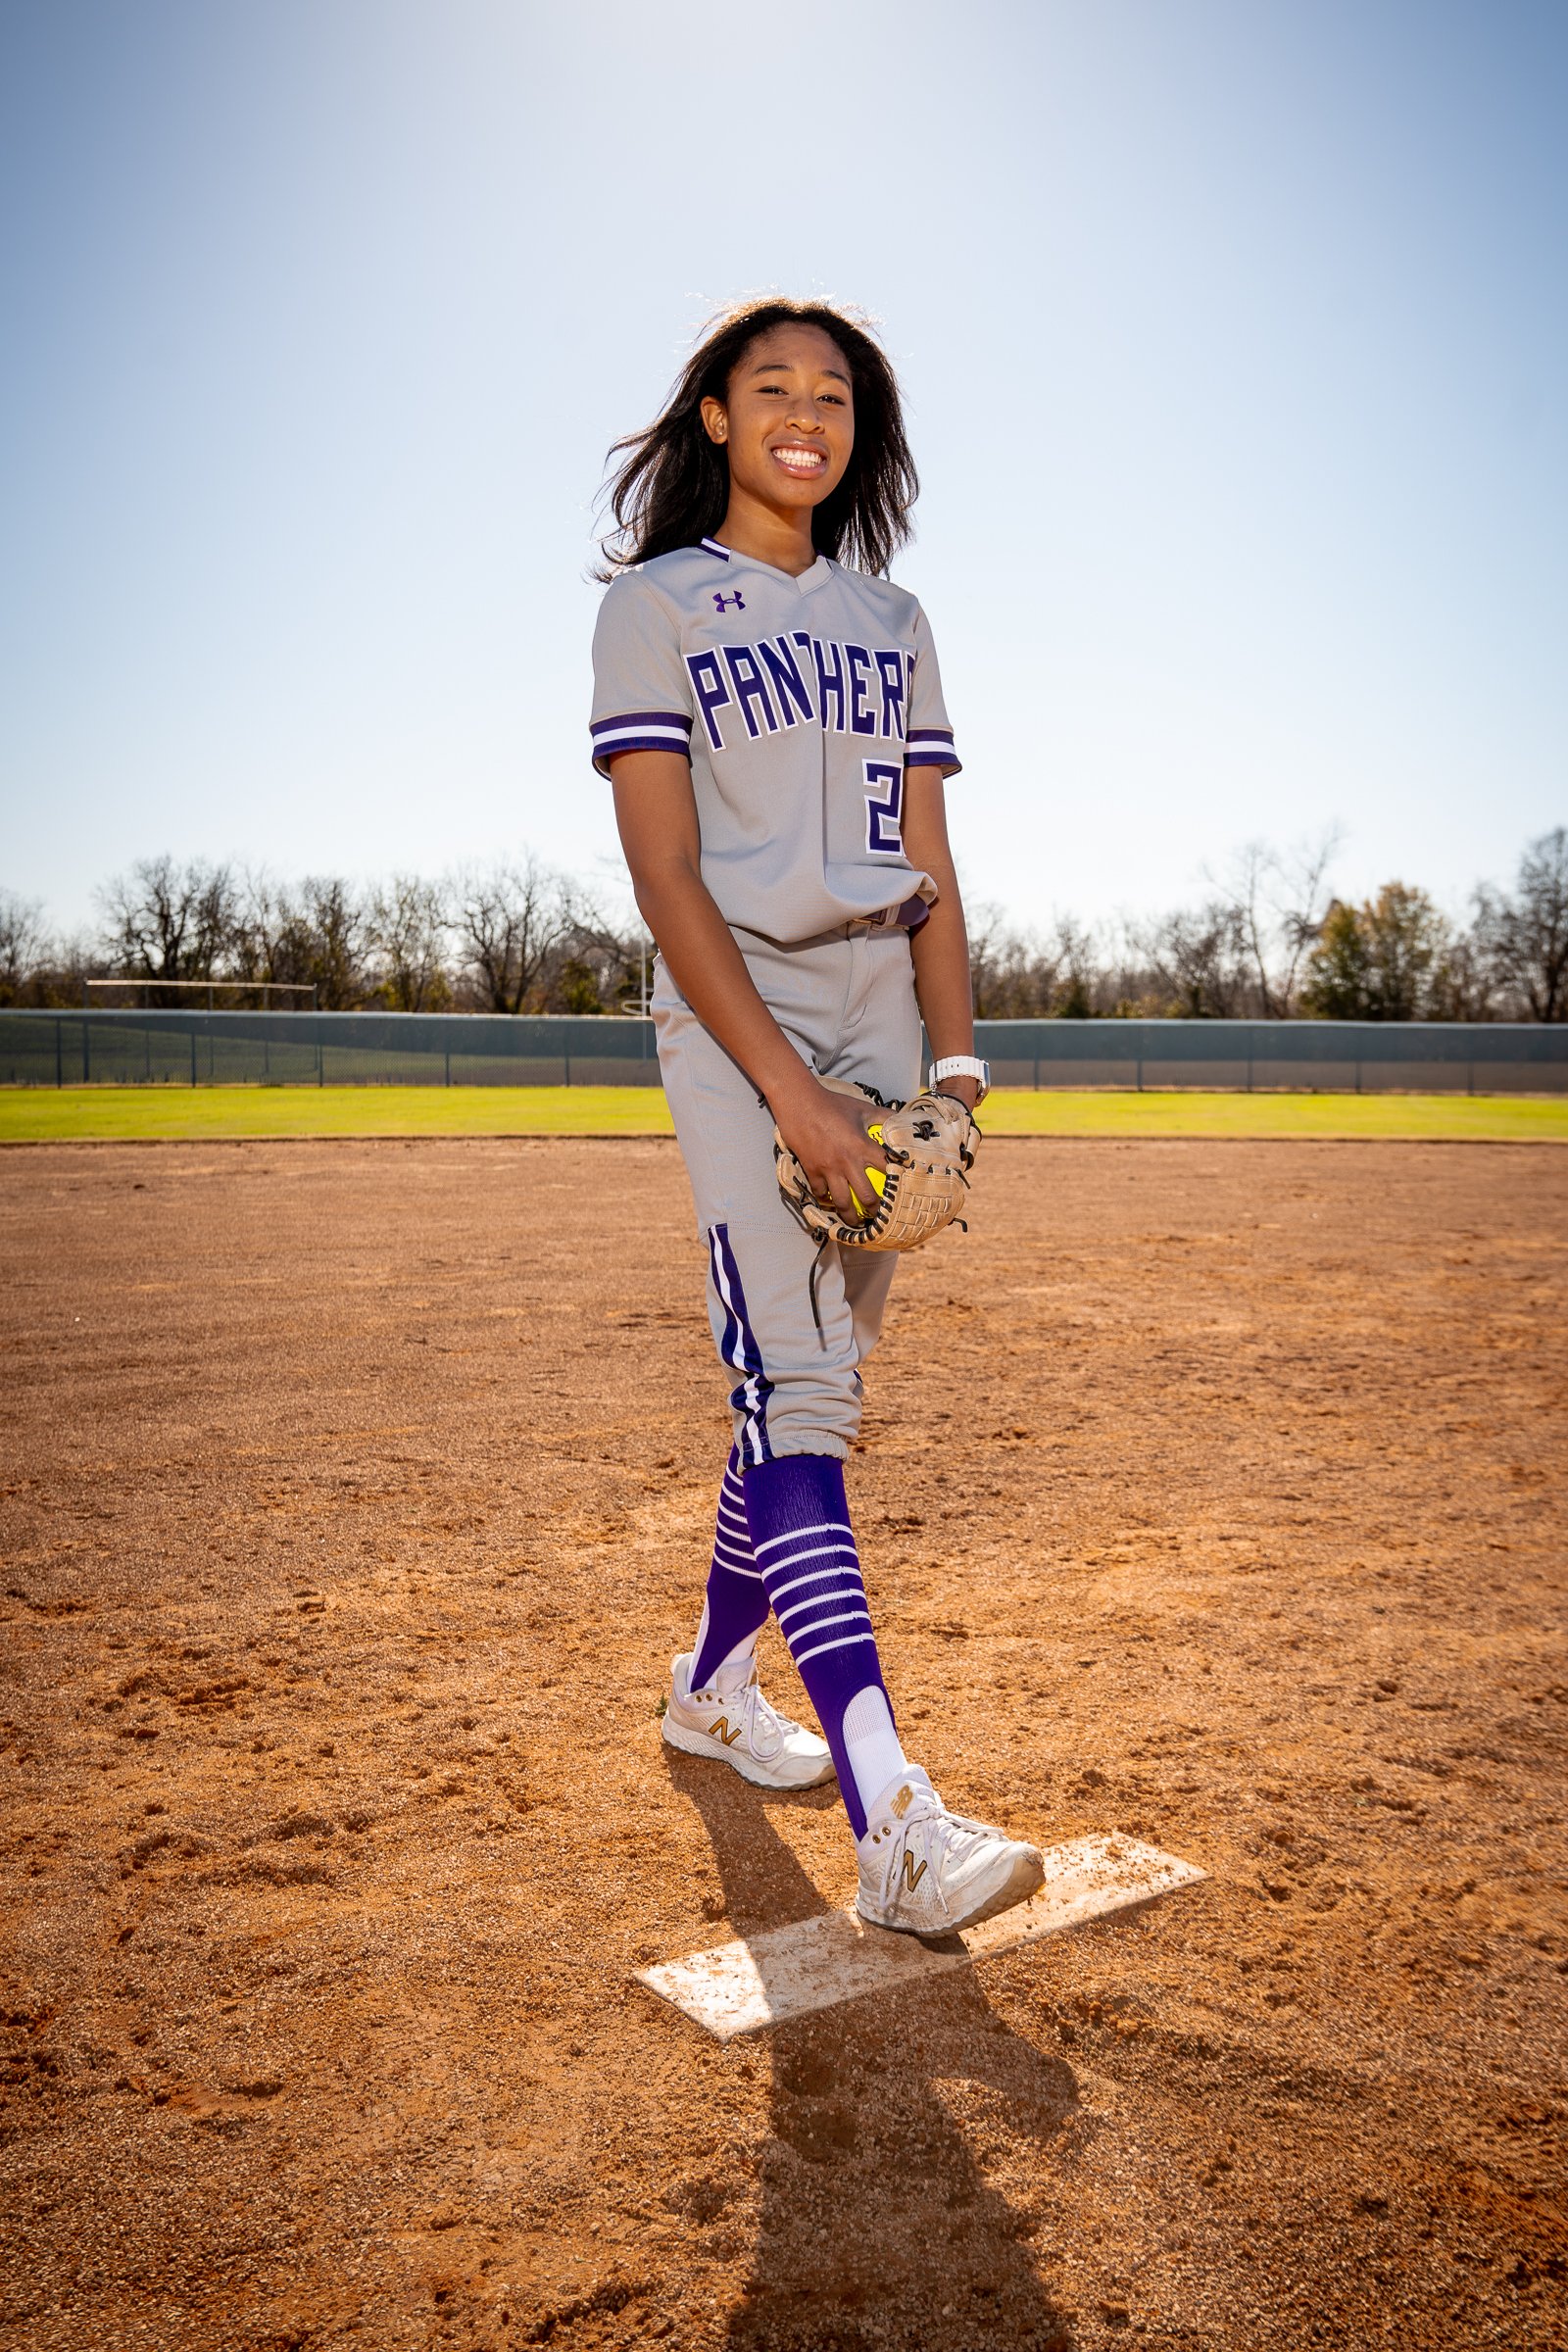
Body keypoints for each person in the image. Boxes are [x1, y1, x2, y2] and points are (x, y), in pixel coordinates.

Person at [590, 298, 1044, 1936]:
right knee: (794, 1385)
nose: (805, 414)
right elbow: (663, 876)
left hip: (878, 1008)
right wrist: (788, 1086)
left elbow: (930, 855)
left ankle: (713, 1687)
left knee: (814, 1390)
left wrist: (958, 1069)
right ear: (713, 416)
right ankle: (895, 1822)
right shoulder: (653, 611)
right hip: (739, 1016)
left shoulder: (896, 615)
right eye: (769, 388)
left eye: (833, 394)